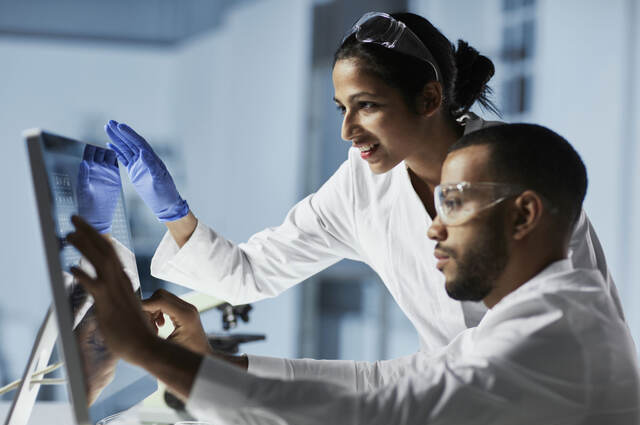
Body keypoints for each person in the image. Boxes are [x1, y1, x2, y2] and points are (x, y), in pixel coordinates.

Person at [101, 12, 623, 381]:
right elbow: (249, 272)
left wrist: (226, 371)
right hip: (455, 406)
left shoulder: (519, 179)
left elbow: (519, 361)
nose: (348, 130)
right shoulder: (362, 184)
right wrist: (173, 211)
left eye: (366, 105)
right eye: (340, 109)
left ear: (429, 97)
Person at [67, 123, 640, 425]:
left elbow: (379, 419)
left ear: (523, 216)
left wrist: (146, 352)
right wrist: (210, 365)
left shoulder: (557, 332)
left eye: (456, 203)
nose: (433, 228)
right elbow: (385, 382)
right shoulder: (546, 311)